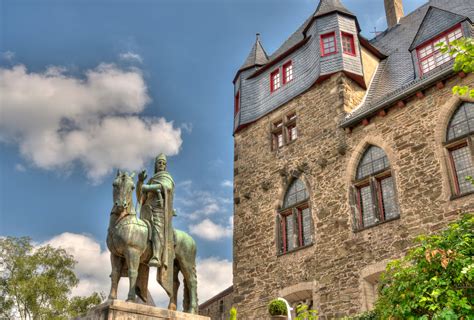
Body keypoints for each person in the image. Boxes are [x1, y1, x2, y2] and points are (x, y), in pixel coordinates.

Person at [136, 153, 175, 268]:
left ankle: (156, 256)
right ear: (155, 165)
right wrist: (140, 182)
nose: (161, 165)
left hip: (158, 209)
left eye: (163, 163)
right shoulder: (151, 179)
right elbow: (140, 196)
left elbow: (167, 187)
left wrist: (148, 187)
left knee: (157, 228)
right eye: (159, 163)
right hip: (146, 209)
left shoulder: (166, 177)